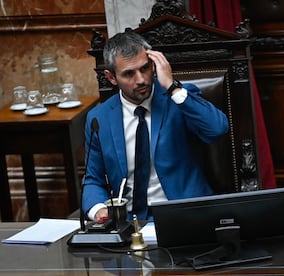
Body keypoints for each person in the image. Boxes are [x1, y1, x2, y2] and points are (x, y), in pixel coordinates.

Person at [82, 31, 229, 221]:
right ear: (111, 77)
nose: (141, 80)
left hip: (186, 216)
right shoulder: (98, 119)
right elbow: (93, 179)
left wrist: (172, 87)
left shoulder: (178, 100)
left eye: (144, 68)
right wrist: (98, 209)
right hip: (130, 222)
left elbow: (217, 129)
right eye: (129, 74)